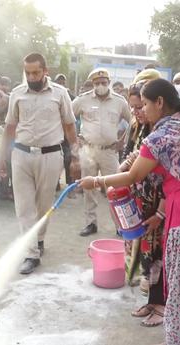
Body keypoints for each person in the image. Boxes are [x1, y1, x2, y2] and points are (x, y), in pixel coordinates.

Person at [79, 78, 180, 345]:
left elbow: (133, 176)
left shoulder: (162, 136)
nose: (141, 109)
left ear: (160, 102)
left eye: (144, 104)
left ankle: (174, 340)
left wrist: (96, 181)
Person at [0, 53, 80, 275]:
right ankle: (31, 253)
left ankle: (39, 239)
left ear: (45, 71)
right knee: (24, 207)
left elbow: (70, 127)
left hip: (51, 156)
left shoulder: (60, 94)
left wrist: (76, 156)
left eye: (35, 72)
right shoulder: (17, 94)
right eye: (28, 73)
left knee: (43, 206)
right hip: (21, 155)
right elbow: (9, 129)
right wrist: (1, 159)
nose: (31, 77)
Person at [121, 80, 166, 328]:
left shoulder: (163, 131)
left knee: (160, 253)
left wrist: (160, 210)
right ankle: (152, 300)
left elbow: (170, 175)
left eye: (141, 106)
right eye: (133, 107)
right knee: (147, 253)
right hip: (141, 199)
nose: (138, 112)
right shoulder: (139, 128)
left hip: (161, 203)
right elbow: (129, 160)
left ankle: (161, 305)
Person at [72, 68, 131, 236]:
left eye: (103, 83)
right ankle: (90, 224)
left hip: (109, 152)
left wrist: (123, 141)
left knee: (115, 188)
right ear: (92, 84)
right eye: (97, 83)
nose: (100, 86)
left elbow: (132, 121)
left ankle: (120, 225)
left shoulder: (119, 101)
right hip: (88, 150)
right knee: (89, 190)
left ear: (109, 83)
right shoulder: (82, 100)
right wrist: (75, 137)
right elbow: (67, 117)